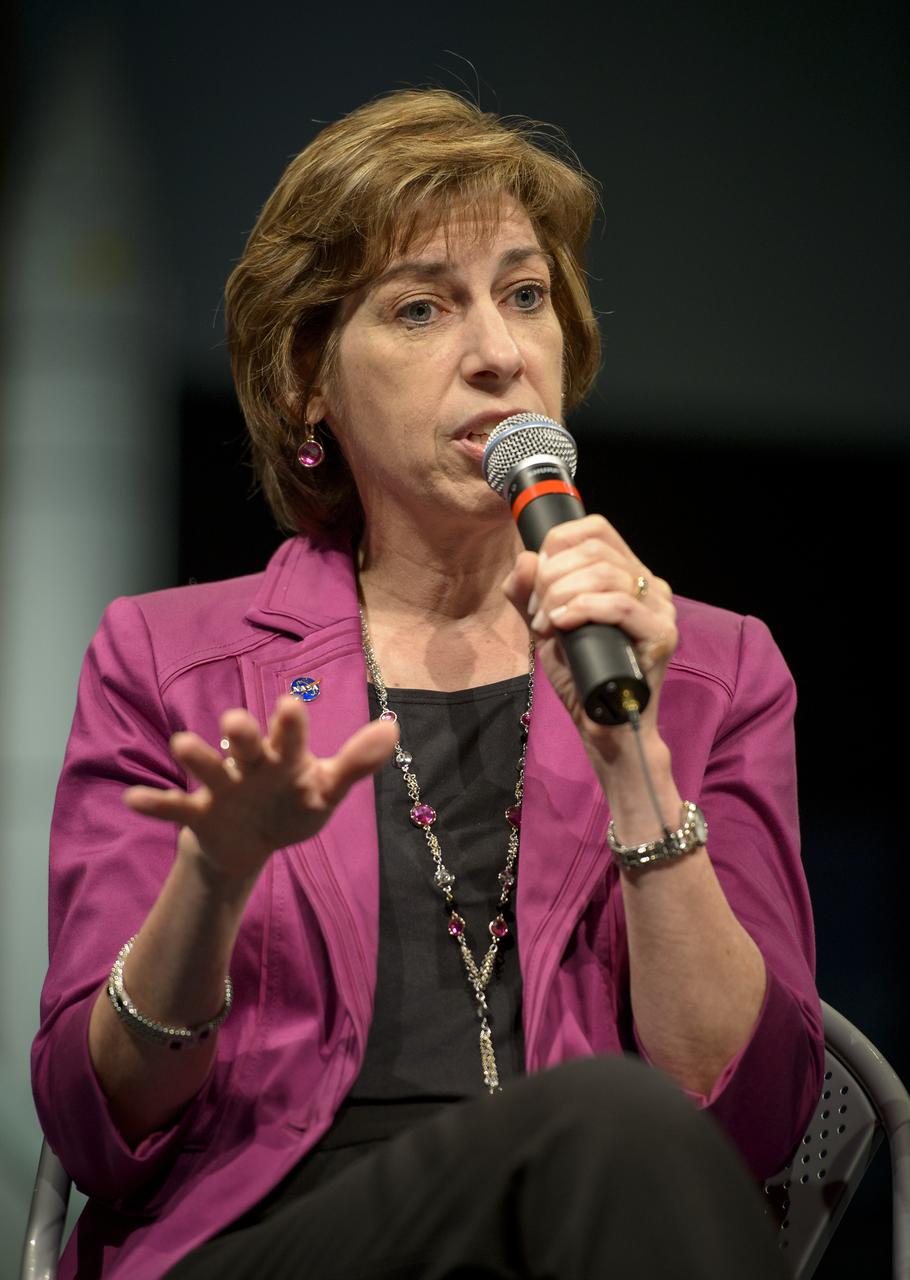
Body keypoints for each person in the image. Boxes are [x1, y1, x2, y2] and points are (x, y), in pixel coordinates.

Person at [32, 89, 823, 1279]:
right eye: (421, 307)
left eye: (523, 294)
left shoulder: (711, 669)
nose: (499, 350)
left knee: (611, 1134)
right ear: (310, 378)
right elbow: (101, 1124)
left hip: (587, 1225)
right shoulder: (174, 661)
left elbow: (756, 1122)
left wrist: (633, 760)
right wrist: (215, 871)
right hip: (269, 1238)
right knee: (602, 1124)